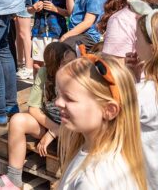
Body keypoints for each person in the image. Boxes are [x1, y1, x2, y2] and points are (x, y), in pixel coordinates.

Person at [0, 42, 75, 189]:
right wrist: (54, 129)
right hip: (51, 124)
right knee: (17, 120)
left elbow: (79, 117)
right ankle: (14, 178)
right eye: (66, 63)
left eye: (74, 60)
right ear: (53, 65)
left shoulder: (79, 76)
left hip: (73, 130)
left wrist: (54, 133)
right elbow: (33, 108)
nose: (73, 65)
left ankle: (70, 180)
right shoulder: (44, 73)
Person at [55, 55, 146, 190]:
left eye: (69, 98)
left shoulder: (92, 181)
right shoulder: (92, 153)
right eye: (58, 94)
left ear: (109, 110)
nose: (57, 102)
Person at [125, 0, 158, 190]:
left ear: (152, 49)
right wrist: (136, 77)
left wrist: (131, 81)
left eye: (137, 39)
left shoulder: (145, 93)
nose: (134, 43)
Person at [28, 0, 68, 70]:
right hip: (38, 31)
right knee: (36, 65)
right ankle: (38, 88)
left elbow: (69, 13)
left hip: (57, 32)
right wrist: (33, 8)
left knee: (55, 64)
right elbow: (27, 10)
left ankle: (53, 87)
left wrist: (55, 9)